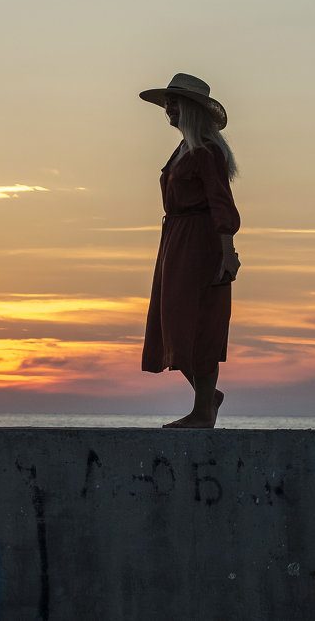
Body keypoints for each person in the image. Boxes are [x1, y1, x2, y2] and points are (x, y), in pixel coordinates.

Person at [139, 73, 241, 429]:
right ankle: (207, 397)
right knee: (172, 325)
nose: (168, 107)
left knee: (199, 325)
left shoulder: (207, 151)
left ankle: (202, 410)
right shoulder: (184, 149)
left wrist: (228, 250)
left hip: (201, 241)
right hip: (176, 240)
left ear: (192, 109)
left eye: (175, 101)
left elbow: (221, 202)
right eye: (167, 101)